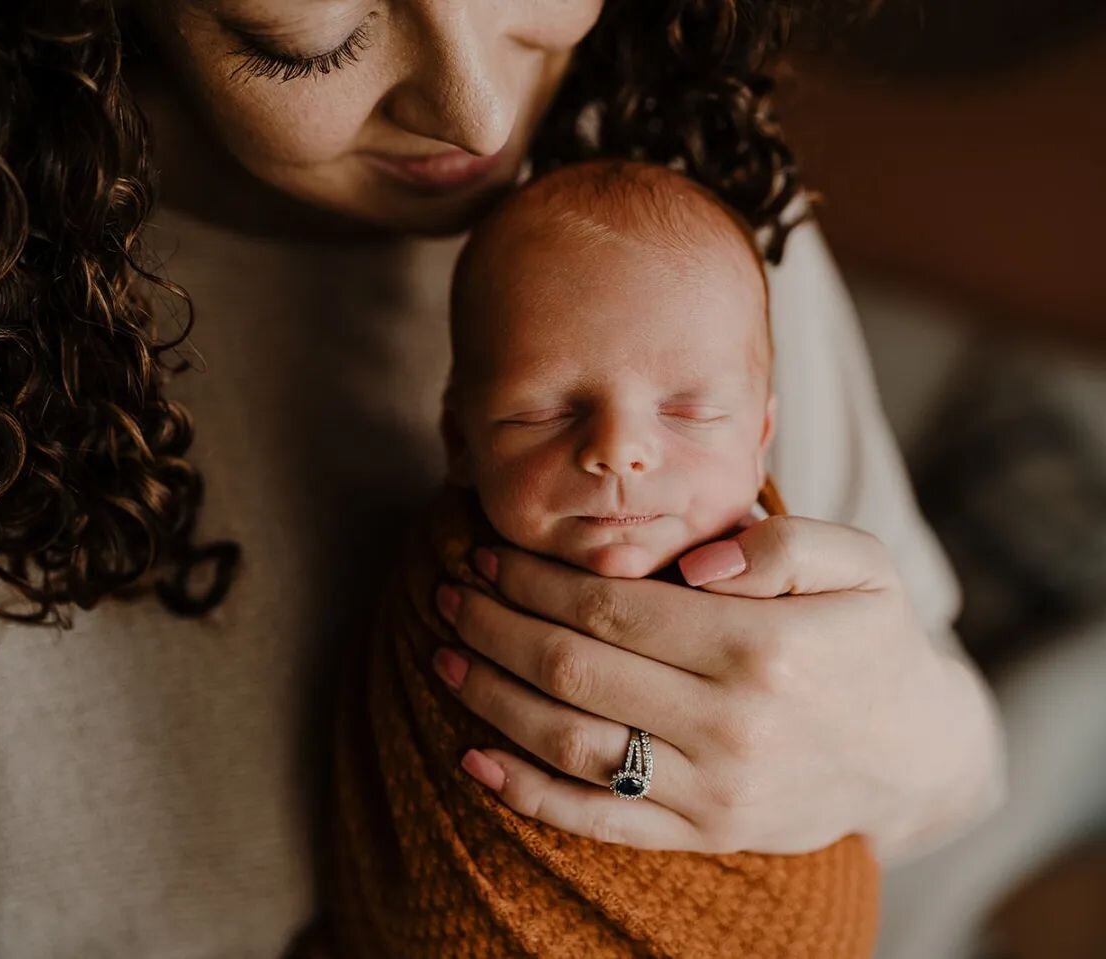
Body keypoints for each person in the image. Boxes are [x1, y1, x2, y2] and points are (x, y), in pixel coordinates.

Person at [0, 1, 1004, 956]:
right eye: (309, 38)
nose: (478, 108)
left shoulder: (696, 219)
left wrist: (896, 736)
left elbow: (956, 765)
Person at [328, 160, 879, 957]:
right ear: (459, 439)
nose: (618, 450)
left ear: (760, 438)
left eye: (690, 411)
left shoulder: (803, 587)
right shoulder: (439, 592)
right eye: (546, 410)